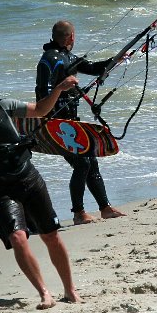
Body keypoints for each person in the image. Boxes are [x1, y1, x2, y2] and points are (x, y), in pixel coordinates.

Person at [0, 76, 82, 309]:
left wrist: (60, 89)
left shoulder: (5, 107)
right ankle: (44, 293)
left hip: (30, 179)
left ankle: (70, 290)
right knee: (17, 238)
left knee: (51, 235)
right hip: (1, 189)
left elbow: (41, 110)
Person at [35, 20, 126, 225]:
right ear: (71, 37)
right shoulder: (49, 60)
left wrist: (118, 58)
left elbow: (93, 68)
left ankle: (105, 208)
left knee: (89, 161)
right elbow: (41, 93)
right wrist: (61, 89)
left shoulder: (67, 57)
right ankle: (78, 213)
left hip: (70, 121)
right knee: (82, 162)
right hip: (57, 123)